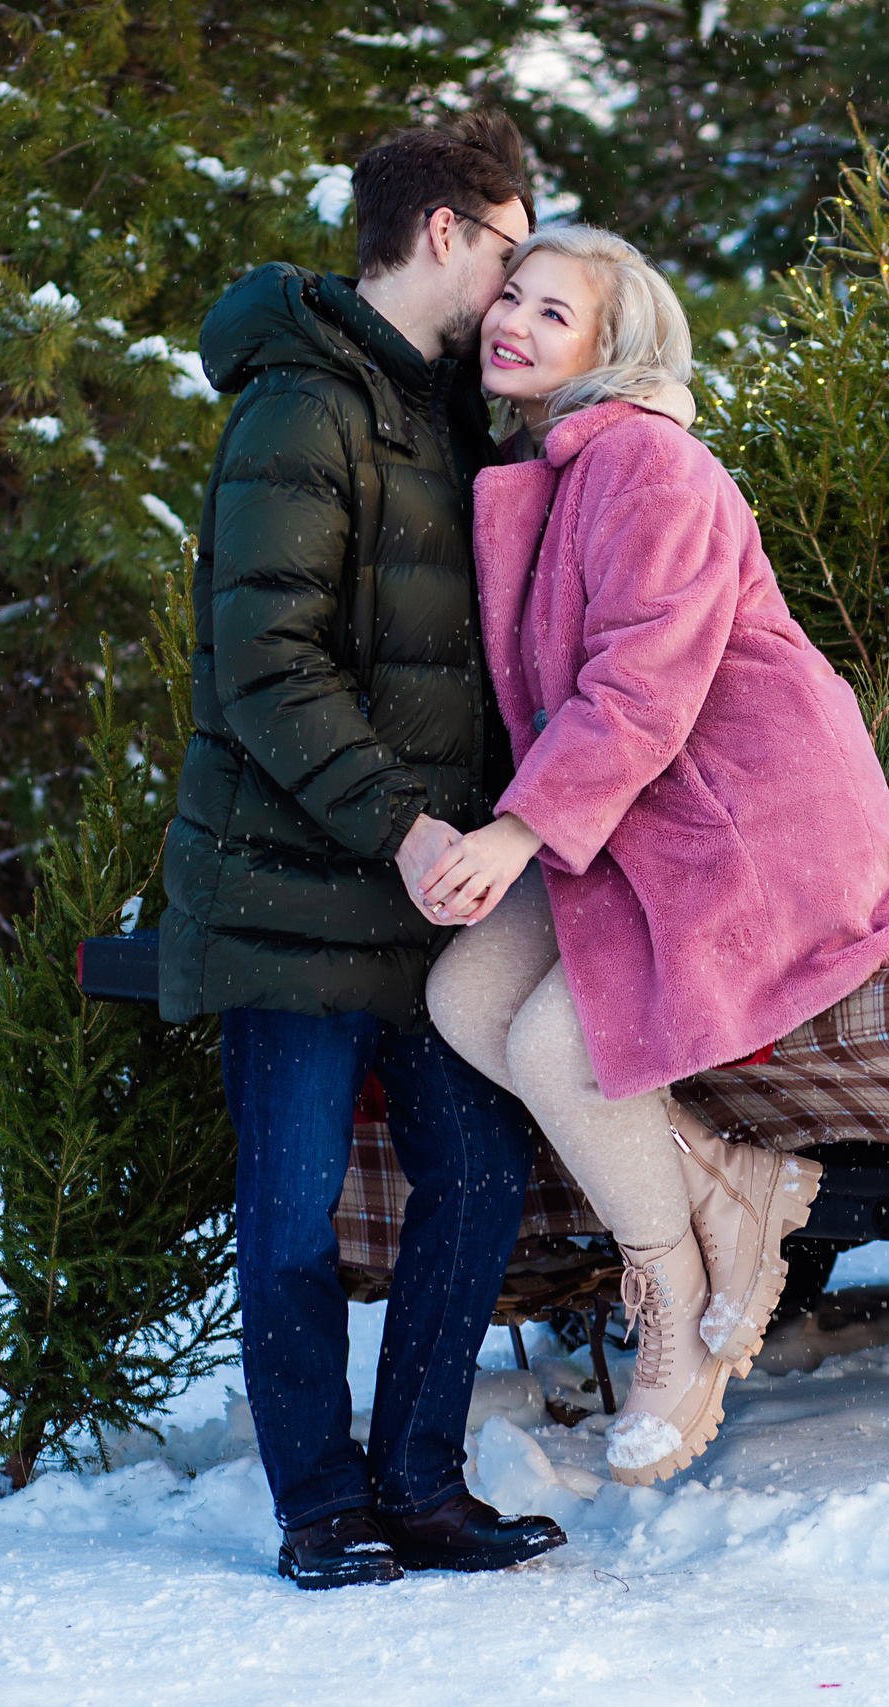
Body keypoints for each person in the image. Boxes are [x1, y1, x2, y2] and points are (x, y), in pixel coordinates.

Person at [418, 226, 889, 1487]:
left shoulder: (648, 461)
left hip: (752, 824)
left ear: (613, 346)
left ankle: (672, 1293)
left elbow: (640, 687)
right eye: (510, 297)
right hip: (634, 816)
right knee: (466, 997)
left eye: (553, 312)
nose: (512, 323)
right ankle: (727, 1191)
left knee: (552, 1046)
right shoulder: (557, 467)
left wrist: (517, 830)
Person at [157, 112, 567, 1590]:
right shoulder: (300, 409)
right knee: (291, 1214)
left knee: (480, 1175)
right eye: (512, 247)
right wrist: (402, 825)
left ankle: (420, 1485)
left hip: (425, 894)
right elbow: (265, 664)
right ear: (446, 232)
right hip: (290, 891)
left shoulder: (448, 410)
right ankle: (320, 1507)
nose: (519, 284)